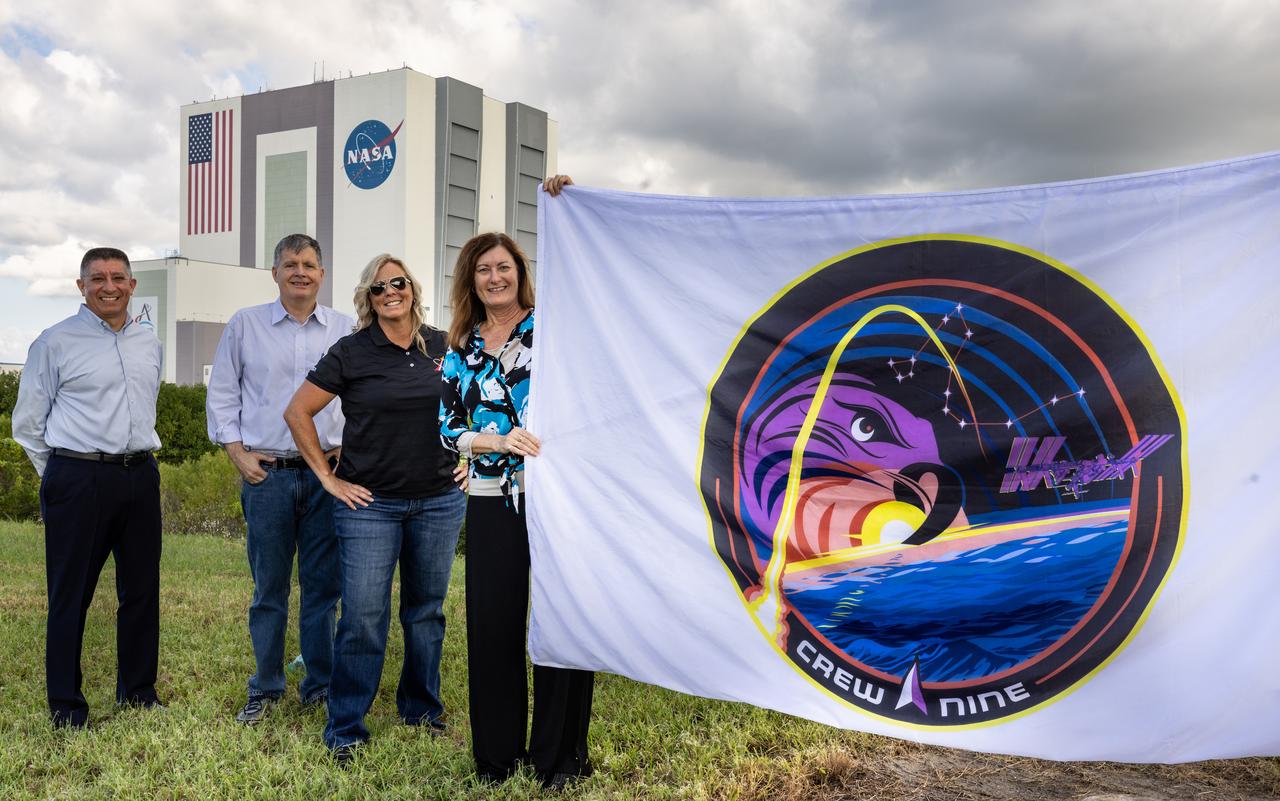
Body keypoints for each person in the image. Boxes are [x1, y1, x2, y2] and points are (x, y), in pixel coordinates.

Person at [439, 176, 595, 790]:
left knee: (560, 622)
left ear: (520, 273)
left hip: (555, 497)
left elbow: (591, 285)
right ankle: (496, 759)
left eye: (503, 267)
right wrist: (493, 442)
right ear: (471, 280)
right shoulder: (460, 347)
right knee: (493, 627)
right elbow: (447, 428)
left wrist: (568, 203)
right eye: (483, 270)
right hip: (488, 499)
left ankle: (560, 758)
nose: (494, 277)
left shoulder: (553, 328)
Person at [284, 253, 467, 761]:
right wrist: (328, 478)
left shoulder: (444, 345)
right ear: (368, 297)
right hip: (370, 505)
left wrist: (472, 458)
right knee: (363, 616)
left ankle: (421, 709)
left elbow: (478, 403)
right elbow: (297, 412)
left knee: (426, 612)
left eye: (399, 282)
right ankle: (346, 727)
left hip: (439, 500)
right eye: (380, 286)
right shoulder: (352, 351)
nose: (391, 292)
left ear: (413, 288)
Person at [12, 247, 165, 728]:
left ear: (132, 286)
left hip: (141, 474)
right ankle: (66, 707)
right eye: (97, 278)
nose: (109, 286)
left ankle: (138, 693)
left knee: (141, 591)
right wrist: (62, 476)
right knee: (70, 595)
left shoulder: (148, 342)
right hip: (78, 477)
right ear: (81, 286)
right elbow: (28, 425)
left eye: (118, 277)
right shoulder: (54, 343)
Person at [205, 233, 352, 723]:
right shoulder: (245, 325)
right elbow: (222, 393)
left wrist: (350, 447)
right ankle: (266, 687)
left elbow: (363, 396)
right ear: (275, 273)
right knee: (269, 590)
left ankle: (320, 687)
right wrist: (236, 452)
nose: (300, 272)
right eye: (291, 264)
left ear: (322, 275)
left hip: (326, 476)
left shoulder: (346, 329)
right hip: (267, 476)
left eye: (309, 264)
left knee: (323, 589)